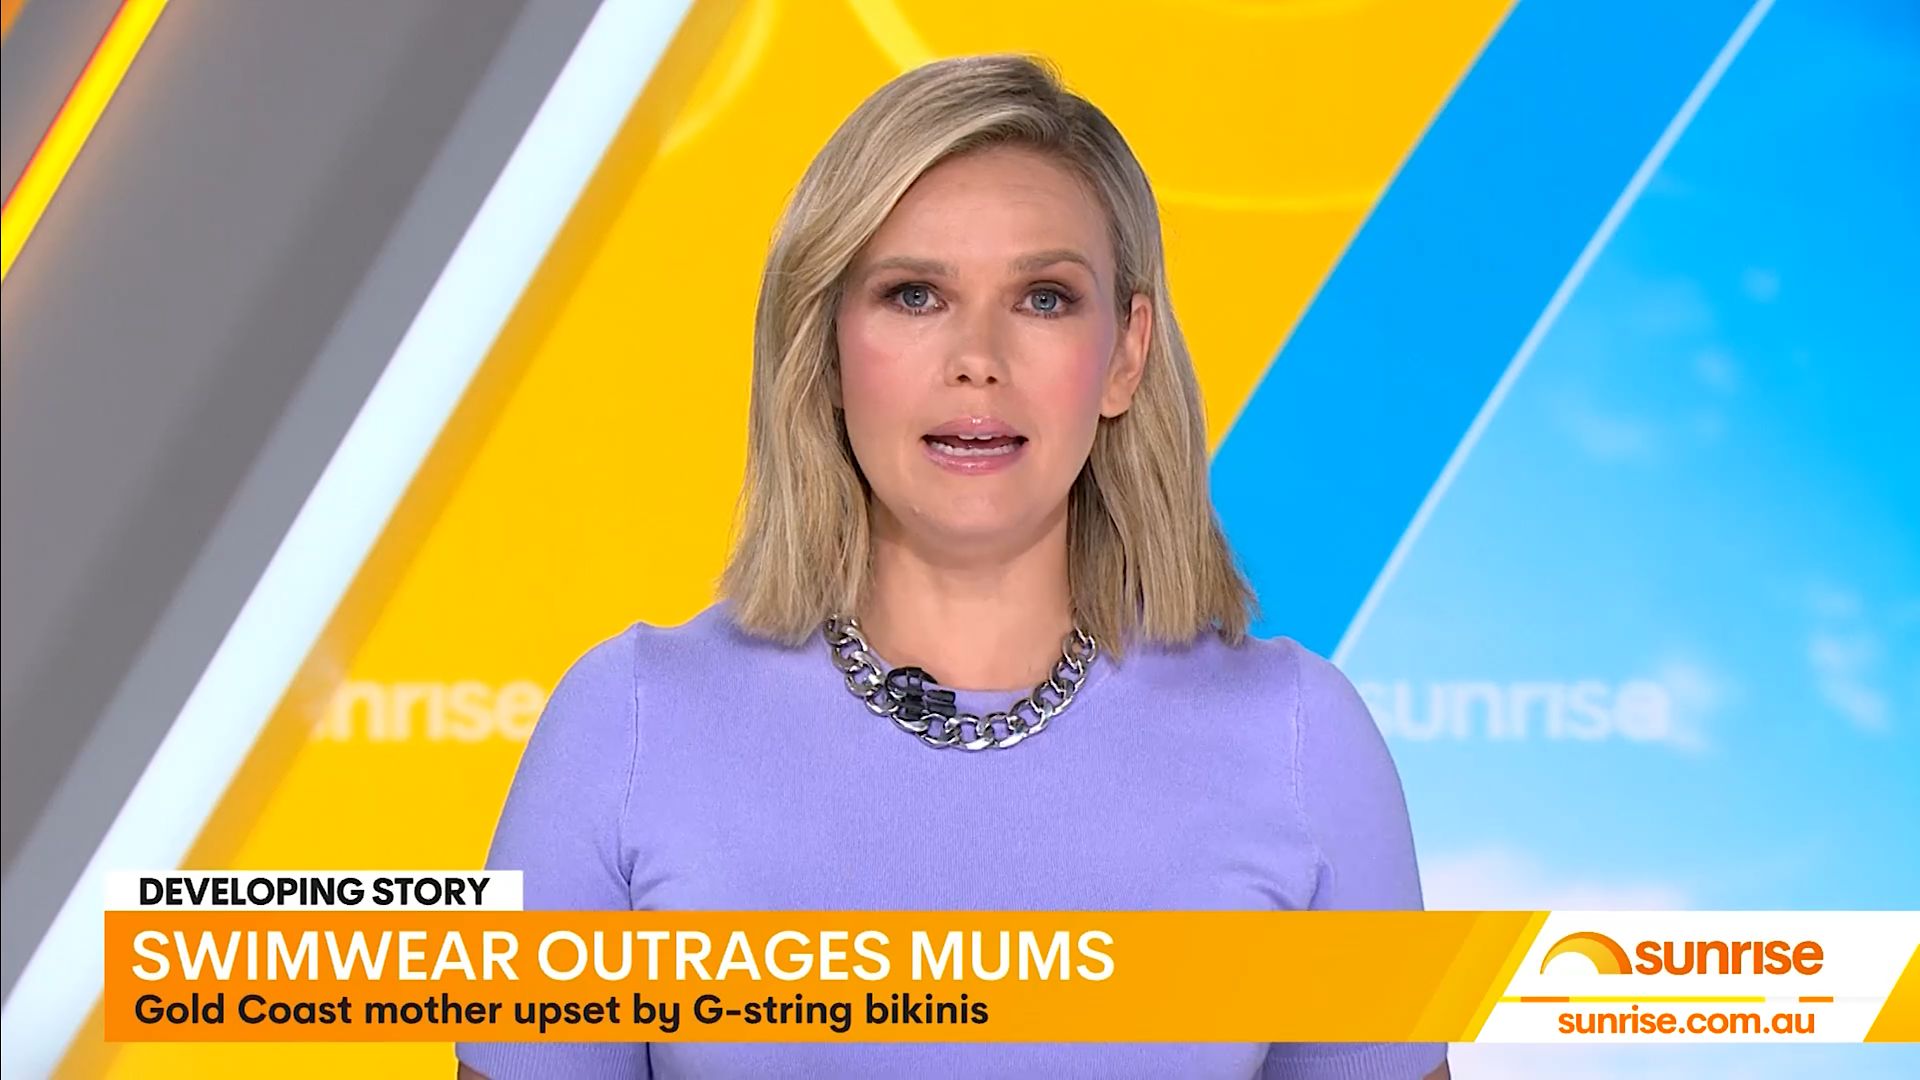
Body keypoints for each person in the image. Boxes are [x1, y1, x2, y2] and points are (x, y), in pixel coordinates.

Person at [457, 52, 1445, 1080]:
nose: (978, 359)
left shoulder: (1301, 740)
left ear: (1125, 353)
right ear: (825, 348)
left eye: (1044, 299)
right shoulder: (625, 726)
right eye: (915, 294)